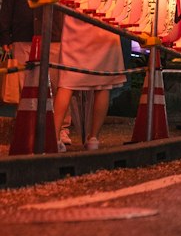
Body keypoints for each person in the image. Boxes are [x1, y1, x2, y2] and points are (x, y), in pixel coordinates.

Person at [52, 15, 127, 151]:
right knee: (103, 85)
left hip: (75, 26)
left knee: (66, 83)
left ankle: (54, 137)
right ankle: (93, 138)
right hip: (105, 25)